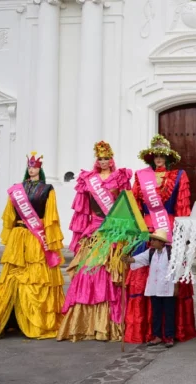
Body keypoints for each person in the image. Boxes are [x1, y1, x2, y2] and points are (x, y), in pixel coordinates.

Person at [58, 141, 132, 342]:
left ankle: (109, 325)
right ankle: (85, 324)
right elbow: (82, 211)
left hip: (114, 232)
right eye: (100, 158)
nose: (104, 161)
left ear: (111, 159)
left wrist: (125, 232)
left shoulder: (120, 178)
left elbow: (127, 206)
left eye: (106, 158)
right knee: (88, 272)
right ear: (96, 160)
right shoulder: (88, 180)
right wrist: (81, 234)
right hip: (94, 231)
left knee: (110, 275)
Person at [126, 134, 196, 344]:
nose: (158, 159)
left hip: (170, 229)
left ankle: (171, 331)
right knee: (145, 275)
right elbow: (136, 207)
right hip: (146, 230)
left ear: (168, 158)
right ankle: (151, 330)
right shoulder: (141, 176)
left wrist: (184, 234)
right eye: (155, 156)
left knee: (170, 275)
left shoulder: (179, 176)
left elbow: (182, 207)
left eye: (162, 156)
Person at [0, 152, 65, 339]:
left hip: (36, 238)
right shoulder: (17, 190)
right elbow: (9, 215)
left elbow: (51, 217)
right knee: (13, 277)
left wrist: (50, 240)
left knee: (35, 278)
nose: (31, 169)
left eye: (35, 167)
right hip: (18, 237)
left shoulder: (47, 189)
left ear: (40, 168)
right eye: (30, 167)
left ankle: (35, 321)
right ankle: (11, 320)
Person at [123, 229, 176, 347]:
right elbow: (137, 259)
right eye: (151, 240)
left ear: (161, 242)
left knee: (169, 314)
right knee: (156, 313)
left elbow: (177, 269)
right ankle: (157, 336)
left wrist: (176, 287)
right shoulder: (150, 252)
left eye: (154, 240)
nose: (151, 242)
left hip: (167, 288)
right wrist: (127, 257)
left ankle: (169, 337)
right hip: (154, 288)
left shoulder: (171, 252)